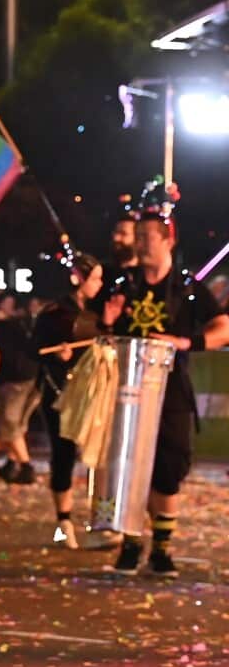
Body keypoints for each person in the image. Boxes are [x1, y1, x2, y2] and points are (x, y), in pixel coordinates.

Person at [101, 198, 229, 576]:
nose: (140, 244)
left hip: (171, 390)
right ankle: (130, 542)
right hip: (126, 389)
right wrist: (106, 321)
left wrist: (189, 343)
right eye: (137, 237)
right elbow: (95, 329)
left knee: (168, 468)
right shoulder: (124, 284)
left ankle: (162, 548)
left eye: (147, 238)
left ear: (167, 241)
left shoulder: (188, 289)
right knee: (127, 465)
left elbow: (223, 326)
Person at [32, 252, 108, 549]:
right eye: (96, 278)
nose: (99, 285)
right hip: (59, 392)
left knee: (99, 454)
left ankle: (103, 518)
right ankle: (63, 523)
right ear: (79, 278)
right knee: (63, 455)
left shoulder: (99, 311)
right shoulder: (53, 314)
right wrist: (57, 353)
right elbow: (33, 349)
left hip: (93, 393)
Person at [0, 292, 40, 485]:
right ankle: (11, 463)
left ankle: (25, 466)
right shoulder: (20, 325)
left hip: (14, 381)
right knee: (17, 424)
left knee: (8, 423)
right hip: (34, 378)